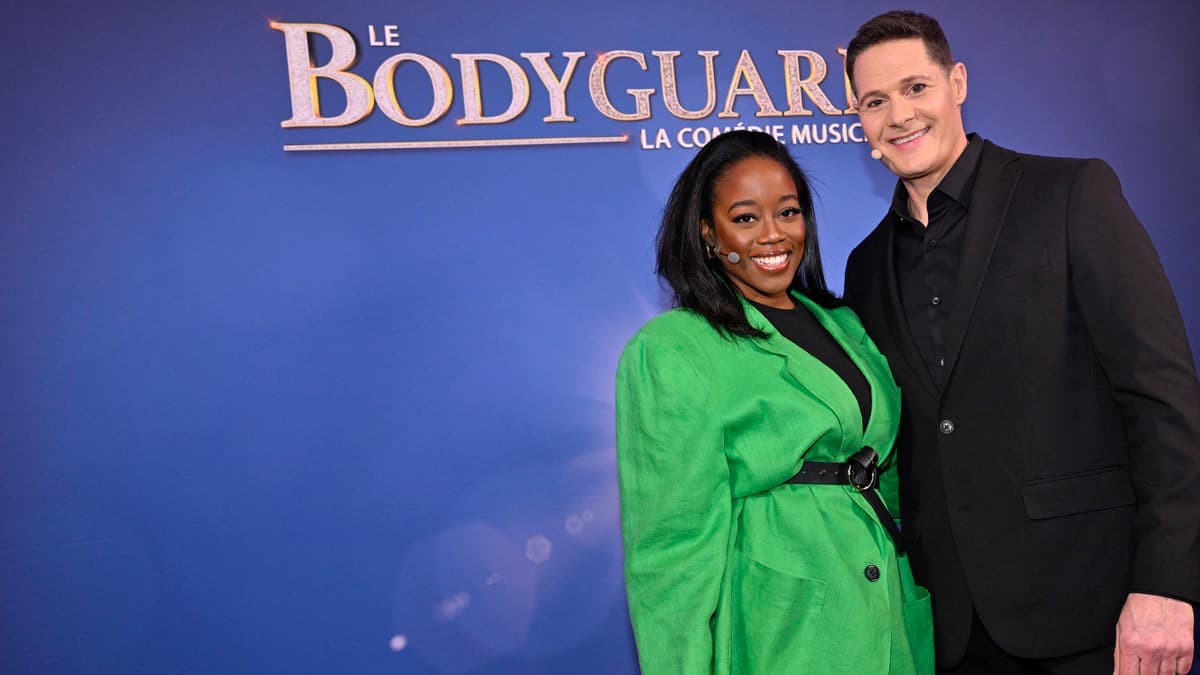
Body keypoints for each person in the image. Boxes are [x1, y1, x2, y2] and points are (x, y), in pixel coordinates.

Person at [841, 10, 1200, 674]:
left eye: (916, 87)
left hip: (1095, 611)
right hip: (948, 625)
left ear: (957, 82)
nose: (899, 115)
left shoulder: (1069, 194)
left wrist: (1169, 582)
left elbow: (1163, 398)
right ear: (858, 119)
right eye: (874, 100)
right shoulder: (864, 267)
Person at [615, 129, 934, 674]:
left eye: (788, 213)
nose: (772, 235)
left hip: (888, 617)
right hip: (782, 631)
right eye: (745, 218)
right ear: (708, 234)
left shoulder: (843, 324)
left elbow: (891, 469)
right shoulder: (673, 349)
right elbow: (671, 550)